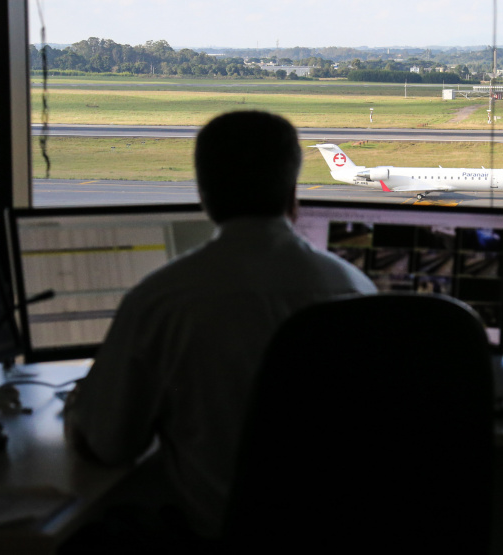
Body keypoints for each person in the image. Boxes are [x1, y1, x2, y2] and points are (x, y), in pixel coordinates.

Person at [64, 110, 376, 539]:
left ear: (204, 194)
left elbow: (107, 446)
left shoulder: (162, 300)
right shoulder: (356, 288)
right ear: (292, 194)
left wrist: (80, 402)